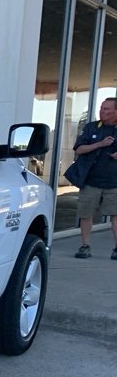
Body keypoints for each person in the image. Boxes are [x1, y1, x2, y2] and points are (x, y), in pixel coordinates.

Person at [72, 96, 117, 259]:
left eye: (106, 109)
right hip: (91, 181)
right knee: (86, 214)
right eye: (101, 108)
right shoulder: (92, 127)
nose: (102, 111)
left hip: (114, 182)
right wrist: (100, 144)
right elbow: (79, 150)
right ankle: (85, 246)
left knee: (116, 215)